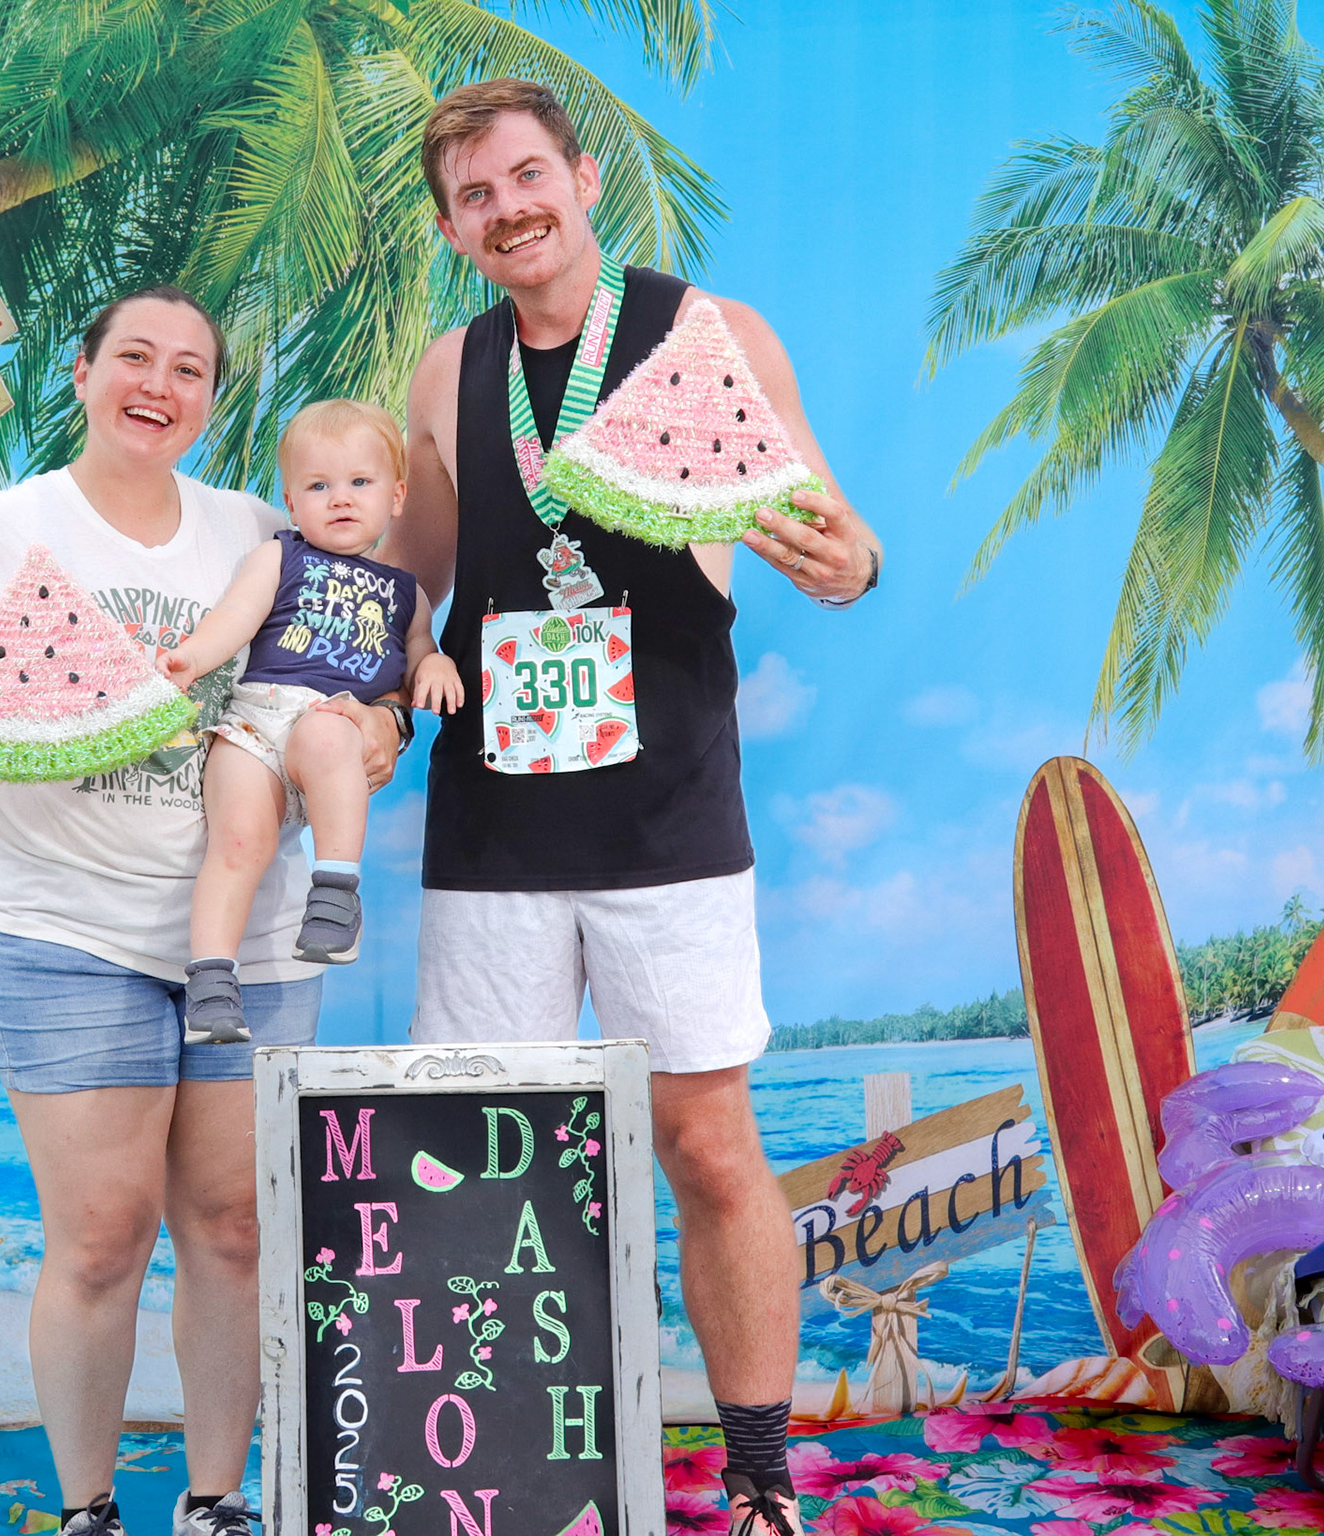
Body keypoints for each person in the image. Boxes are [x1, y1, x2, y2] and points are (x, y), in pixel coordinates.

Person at [384, 80, 884, 1536]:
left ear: (584, 176)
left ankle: (760, 1476)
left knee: (710, 1151)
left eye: (528, 175)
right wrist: (353, 691)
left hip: (669, 819)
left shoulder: (711, 335)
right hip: (490, 830)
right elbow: (417, 582)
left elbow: (837, 530)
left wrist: (850, 566)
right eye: (476, 196)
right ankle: (504, 1481)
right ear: (452, 228)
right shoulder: (444, 373)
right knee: (493, 1165)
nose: (510, 210)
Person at [0, 288, 404, 1536]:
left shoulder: (263, 529)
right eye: (135, 358)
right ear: (83, 371)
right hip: (69, 935)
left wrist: (383, 723)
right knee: (100, 1240)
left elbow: (361, 676)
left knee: (234, 1230)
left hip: (255, 942)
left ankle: (214, 1502)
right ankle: (89, 1509)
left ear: (211, 399)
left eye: (190, 368)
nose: (160, 384)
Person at [159, 400, 460, 1042]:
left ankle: (335, 893)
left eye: (360, 482)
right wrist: (192, 658)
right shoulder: (280, 557)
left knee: (327, 729)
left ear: (396, 496)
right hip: (255, 723)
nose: (340, 498)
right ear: (292, 505)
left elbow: (417, 656)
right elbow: (235, 618)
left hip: (330, 730)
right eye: (318, 486)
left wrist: (435, 663)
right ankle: (211, 981)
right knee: (237, 843)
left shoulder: (408, 593)